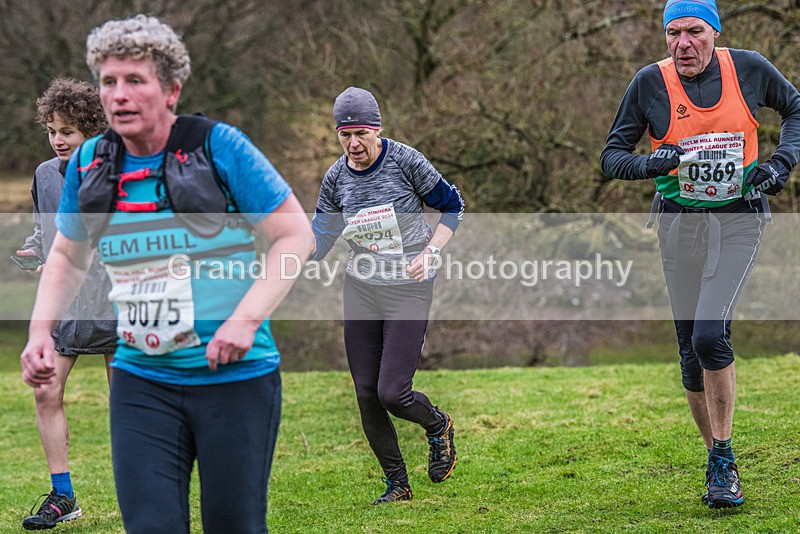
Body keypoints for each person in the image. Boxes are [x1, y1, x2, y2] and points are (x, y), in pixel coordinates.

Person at [20, 15, 314, 533]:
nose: (119, 94)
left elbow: (296, 236)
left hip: (232, 376)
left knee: (233, 524)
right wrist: (40, 331)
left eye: (135, 80)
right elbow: (66, 254)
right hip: (142, 379)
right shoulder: (89, 162)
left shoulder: (219, 147)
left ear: (171, 89)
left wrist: (245, 320)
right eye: (109, 81)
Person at [600, 0, 800, 509]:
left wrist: (782, 162)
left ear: (714, 32)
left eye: (693, 31)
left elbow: (796, 108)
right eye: (673, 33)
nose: (682, 44)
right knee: (690, 351)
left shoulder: (748, 68)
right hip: (678, 223)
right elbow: (611, 157)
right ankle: (718, 462)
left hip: (738, 219)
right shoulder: (650, 83)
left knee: (710, 334)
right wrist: (650, 164)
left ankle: (725, 454)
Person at [312, 87, 465, 504]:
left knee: (392, 392)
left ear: (377, 129)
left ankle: (438, 425)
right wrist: (286, 248)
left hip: (409, 287)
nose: (353, 144)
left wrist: (432, 252)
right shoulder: (336, 178)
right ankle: (398, 484)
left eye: (361, 134)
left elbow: (453, 205)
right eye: (345, 136)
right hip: (361, 288)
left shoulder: (405, 161)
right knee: (366, 394)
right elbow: (321, 237)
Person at [17, 78, 117, 531]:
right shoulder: (44, 175)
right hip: (69, 304)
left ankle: (146, 489)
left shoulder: (118, 171)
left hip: (117, 301)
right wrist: (35, 250)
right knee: (45, 390)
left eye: (67, 131)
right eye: (52, 131)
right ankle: (63, 496)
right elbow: (45, 230)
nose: (58, 139)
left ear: (91, 130)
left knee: (130, 403)